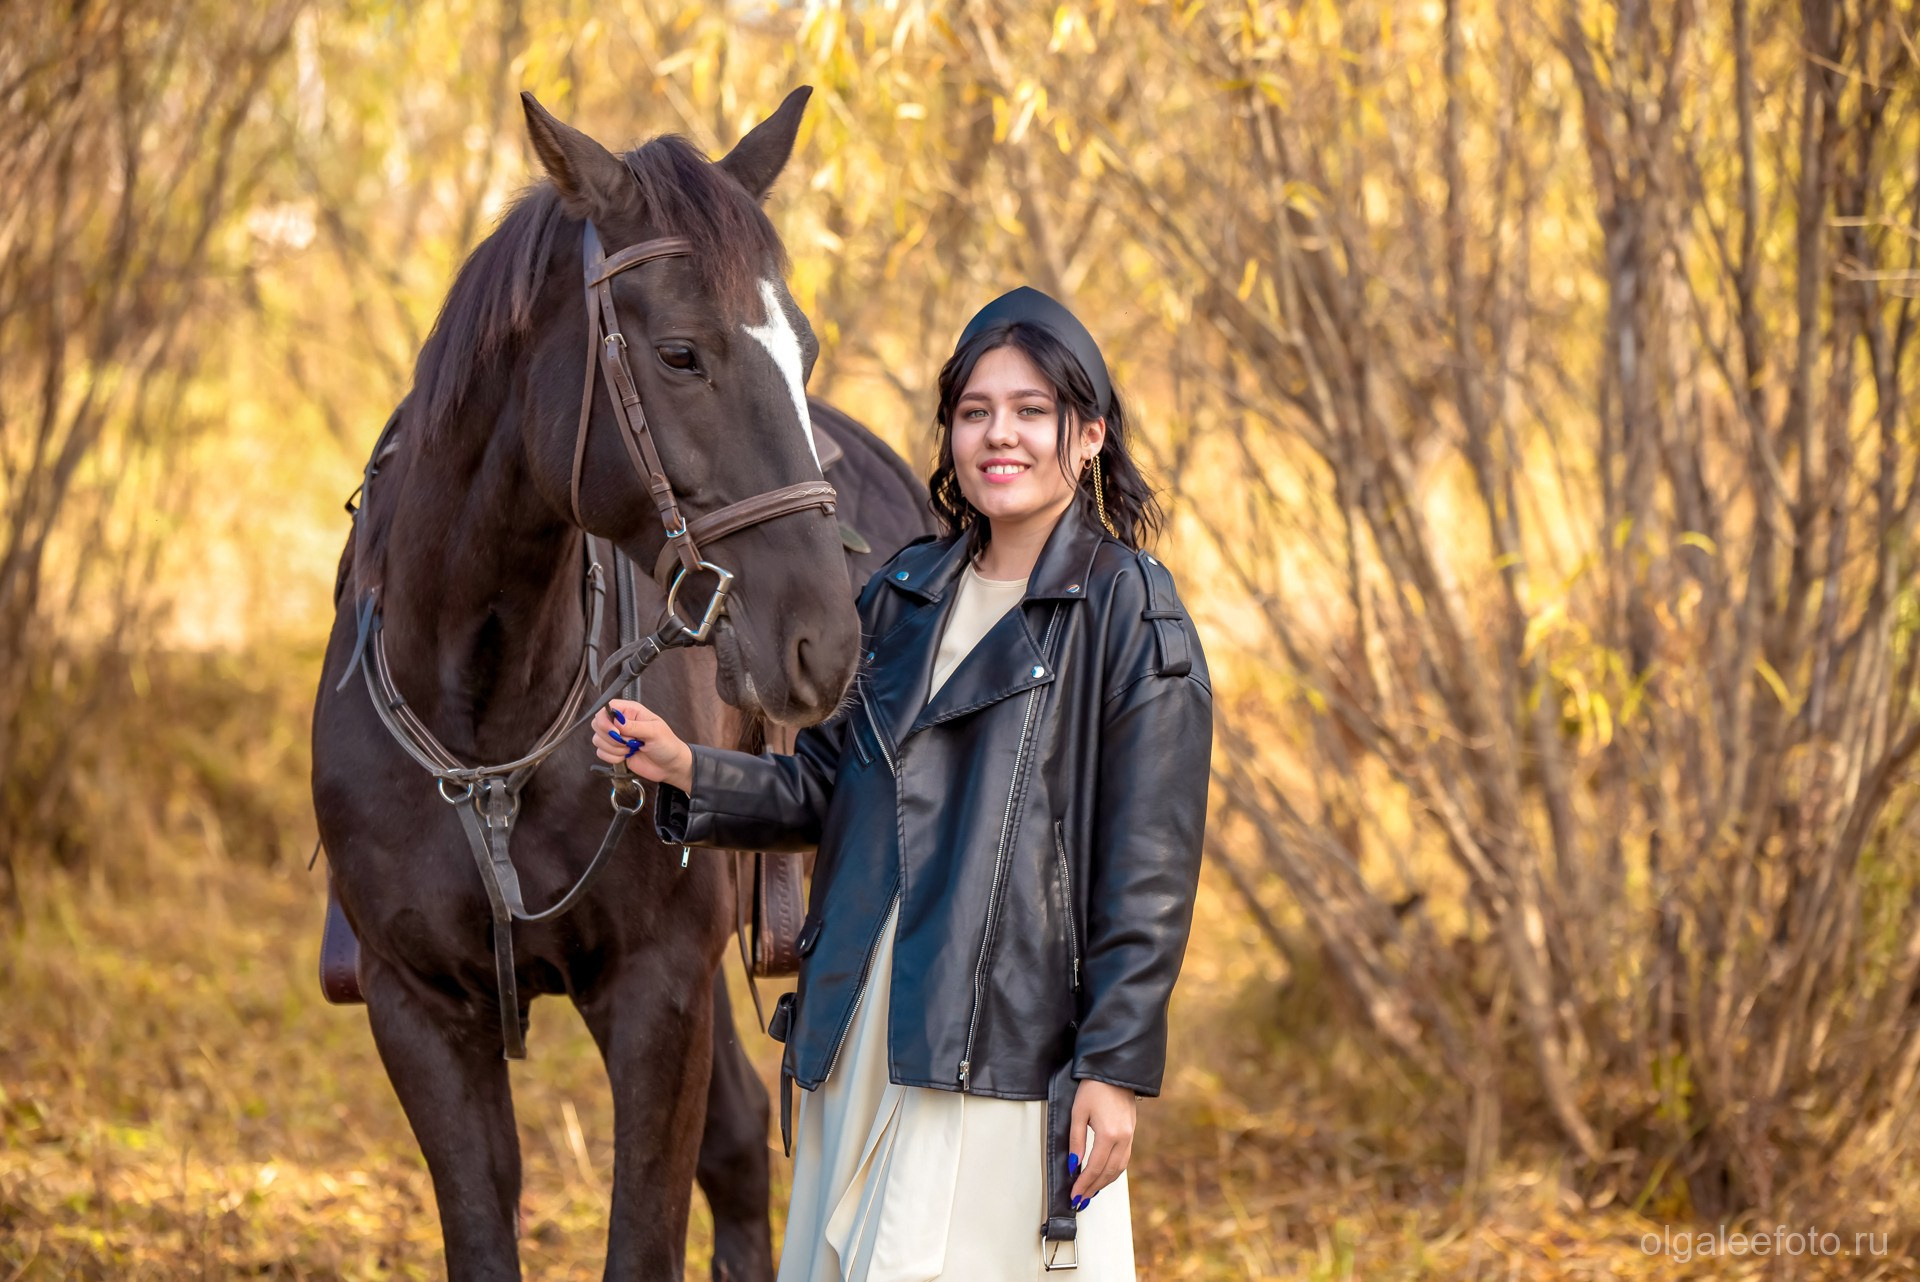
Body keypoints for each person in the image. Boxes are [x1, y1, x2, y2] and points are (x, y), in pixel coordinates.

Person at [589, 286, 1213, 1280]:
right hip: (863, 1023)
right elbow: (828, 795)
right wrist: (686, 768)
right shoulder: (903, 593)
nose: (997, 435)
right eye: (974, 412)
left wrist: (1115, 1069)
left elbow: (1149, 870)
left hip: (1004, 1051)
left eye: (1030, 411)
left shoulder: (1130, 612)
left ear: (1088, 435)